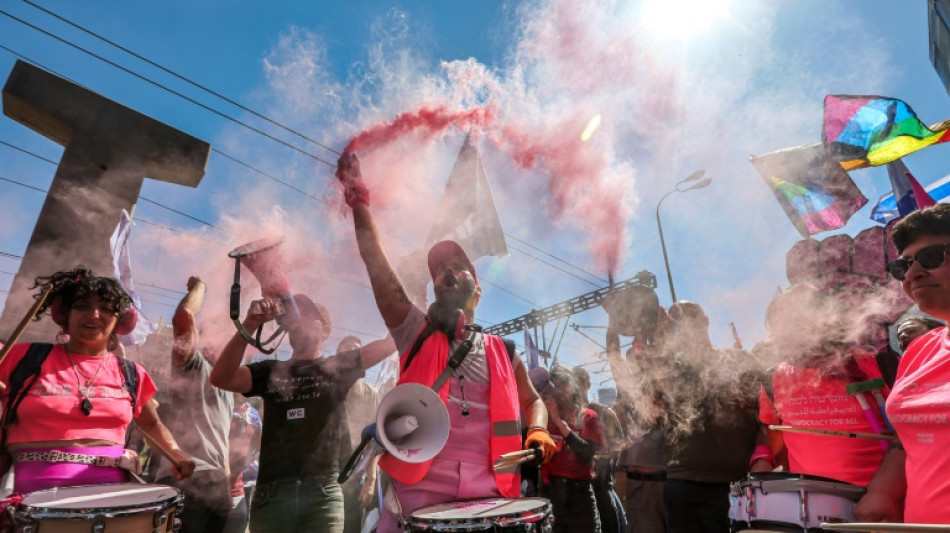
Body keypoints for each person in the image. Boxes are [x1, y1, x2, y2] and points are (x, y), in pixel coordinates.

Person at [336, 153, 555, 533]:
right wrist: (358, 198)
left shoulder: (505, 351)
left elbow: (532, 400)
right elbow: (374, 261)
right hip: (417, 495)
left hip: (494, 494)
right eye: (438, 270)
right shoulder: (413, 332)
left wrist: (538, 429)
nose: (444, 272)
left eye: (457, 267)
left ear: (477, 289)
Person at [210, 292, 395, 533]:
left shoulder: (337, 368)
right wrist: (250, 323)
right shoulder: (269, 370)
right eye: (295, 317)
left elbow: (392, 342)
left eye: (308, 316)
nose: (299, 321)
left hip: (323, 496)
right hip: (272, 495)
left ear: (325, 331)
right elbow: (220, 377)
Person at [0, 267, 195, 495]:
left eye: (106, 309)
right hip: (24, 498)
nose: (93, 314)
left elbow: (151, 425)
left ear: (119, 321)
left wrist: (174, 451)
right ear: (65, 314)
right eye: (82, 306)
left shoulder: (132, 373)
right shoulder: (20, 357)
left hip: (110, 500)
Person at [854, 204, 950, 524]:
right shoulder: (918, 352)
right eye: (903, 265)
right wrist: (882, 492)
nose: (911, 274)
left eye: (932, 257)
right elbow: (909, 436)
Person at [752, 284, 890, 486]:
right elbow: (772, 431)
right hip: (809, 503)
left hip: (883, 502)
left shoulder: (881, 366)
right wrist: (763, 458)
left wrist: (885, 491)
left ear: (829, 320)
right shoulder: (773, 378)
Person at [660, 301, 762, 533]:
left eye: (691, 316)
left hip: (735, 484)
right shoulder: (668, 371)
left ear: (706, 320)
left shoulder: (741, 360)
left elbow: (770, 414)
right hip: (683, 483)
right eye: (677, 320)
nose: (685, 323)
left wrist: (763, 455)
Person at [156, 275, 235, 533]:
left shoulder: (229, 386)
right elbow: (183, 317)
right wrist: (200, 286)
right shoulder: (193, 365)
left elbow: (220, 441)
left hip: (215, 484)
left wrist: (225, 486)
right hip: (185, 477)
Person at [603, 289, 669, 533]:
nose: (637, 360)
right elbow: (612, 354)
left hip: (673, 481)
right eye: (632, 358)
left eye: (640, 356)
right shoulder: (629, 390)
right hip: (641, 487)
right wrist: (612, 319)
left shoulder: (670, 382)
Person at [541, 366, 605, 533]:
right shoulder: (544, 418)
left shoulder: (587, 417)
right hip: (552, 494)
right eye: (554, 386)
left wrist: (559, 422)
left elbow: (586, 454)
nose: (558, 392)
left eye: (562, 385)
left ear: (572, 388)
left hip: (579, 496)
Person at [572, 366, 625, 533]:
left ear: (588, 384)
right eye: (575, 383)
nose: (578, 388)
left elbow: (618, 446)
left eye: (581, 383)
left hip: (601, 486)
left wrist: (599, 455)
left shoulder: (604, 413)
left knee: (615, 526)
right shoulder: (568, 415)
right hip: (578, 488)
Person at [338, 336, 382, 533]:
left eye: (356, 351)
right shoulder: (326, 388)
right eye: (345, 351)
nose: (351, 355)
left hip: (357, 475)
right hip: (324, 476)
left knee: (352, 526)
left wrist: (371, 479)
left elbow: (376, 440)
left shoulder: (370, 393)